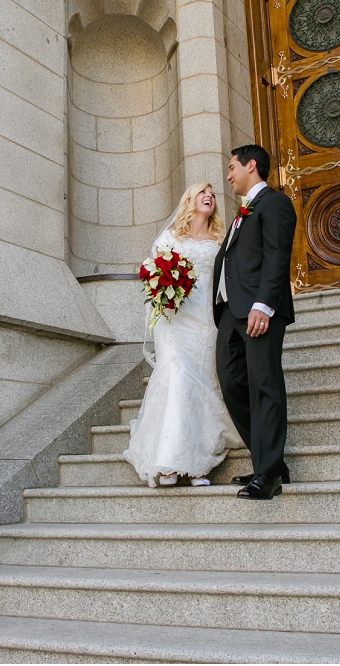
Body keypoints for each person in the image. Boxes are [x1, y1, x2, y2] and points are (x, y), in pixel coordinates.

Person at [123, 183, 243, 488]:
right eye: (203, 192)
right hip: (174, 320)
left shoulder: (219, 240)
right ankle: (168, 461)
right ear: (189, 200)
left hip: (204, 319)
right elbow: (152, 272)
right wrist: (164, 291)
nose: (209, 197)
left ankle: (197, 463)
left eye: (213, 195)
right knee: (177, 377)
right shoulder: (170, 237)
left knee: (200, 383)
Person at [212, 145, 297, 500]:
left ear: (251, 166)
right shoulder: (240, 213)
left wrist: (264, 304)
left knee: (264, 385)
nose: (228, 175)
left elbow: (277, 255)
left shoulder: (274, 203)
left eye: (232, 167)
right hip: (231, 312)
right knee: (232, 383)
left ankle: (268, 474)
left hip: (259, 309)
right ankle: (269, 461)